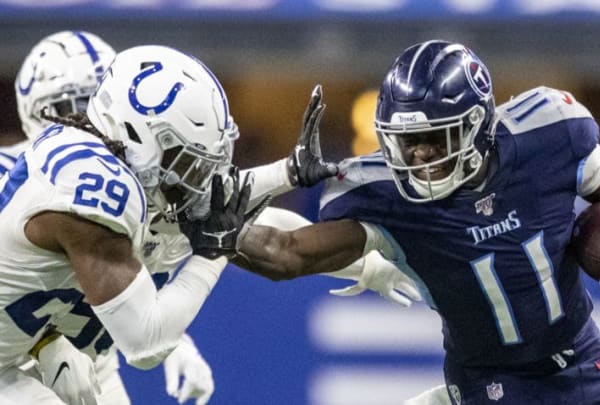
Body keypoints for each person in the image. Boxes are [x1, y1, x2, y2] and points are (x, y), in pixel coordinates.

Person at [212, 40, 600, 404]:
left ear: (478, 126)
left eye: (434, 139)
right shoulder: (387, 197)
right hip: (489, 383)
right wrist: (217, 229)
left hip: (583, 358)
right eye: (407, 141)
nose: (418, 156)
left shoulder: (547, 136)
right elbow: (289, 252)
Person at [2, 38, 419, 405]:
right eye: (188, 160)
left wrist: (288, 175)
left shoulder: (124, 175)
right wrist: (212, 251)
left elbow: (253, 225)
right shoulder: (93, 190)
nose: (200, 177)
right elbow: (146, 343)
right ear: (142, 136)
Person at [4, 31, 218, 405]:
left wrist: (176, 339)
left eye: (88, 103)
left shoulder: (132, 184)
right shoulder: (36, 176)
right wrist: (46, 347)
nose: (77, 117)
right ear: (30, 112)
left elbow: (116, 284)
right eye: (63, 106)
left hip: (80, 349)